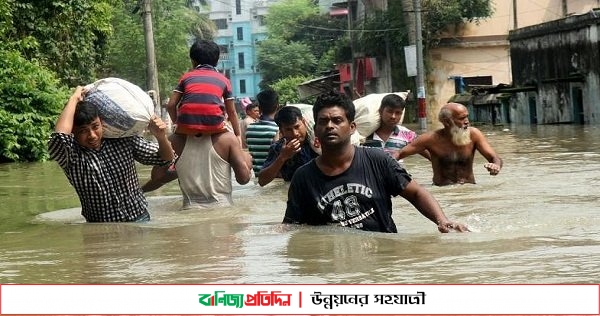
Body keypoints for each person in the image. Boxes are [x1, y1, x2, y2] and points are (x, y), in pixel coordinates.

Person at [282, 90, 468, 233]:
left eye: (337, 120)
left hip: (383, 261)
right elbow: (293, 227)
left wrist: (442, 220)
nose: (330, 126)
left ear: (352, 127)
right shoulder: (303, 178)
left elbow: (416, 193)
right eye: (323, 121)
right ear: (317, 129)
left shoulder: (377, 160)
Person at [48, 86, 175, 222]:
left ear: (102, 123)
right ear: (73, 132)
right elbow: (60, 136)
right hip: (100, 229)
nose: (92, 135)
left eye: (95, 127)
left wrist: (161, 137)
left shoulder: (123, 140)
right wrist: (74, 98)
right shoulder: (72, 156)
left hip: (140, 219)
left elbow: (166, 159)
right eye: (83, 131)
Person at [142, 39, 241, 192]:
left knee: (159, 172)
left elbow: (170, 105)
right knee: (238, 153)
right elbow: (232, 112)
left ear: (193, 61)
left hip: (184, 129)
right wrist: (238, 136)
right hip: (215, 128)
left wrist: (178, 125)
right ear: (216, 61)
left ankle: (174, 171)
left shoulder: (186, 77)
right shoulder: (224, 80)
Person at [397, 102, 503, 186]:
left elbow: (494, 157)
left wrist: (496, 166)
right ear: (447, 122)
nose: (467, 122)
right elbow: (399, 154)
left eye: (467, 117)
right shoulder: (429, 139)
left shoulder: (474, 134)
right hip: (442, 192)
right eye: (461, 118)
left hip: (469, 189)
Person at [176, 133, 253, 209]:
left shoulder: (174, 140)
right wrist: (247, 164)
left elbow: (164, 177)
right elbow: (243, 179)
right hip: (223, 210)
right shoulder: (228, 139)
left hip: (189, 210)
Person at [257, 105, 319, 186]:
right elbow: (262, 181)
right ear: (281, 131)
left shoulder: (317, 141)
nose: (295, 133)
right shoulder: (278, 148)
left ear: (303, 122)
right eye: (288, 129)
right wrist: (282, 157)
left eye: (297, 127)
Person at [364, 94, 430, 164]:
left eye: (398, 113)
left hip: (397, 174)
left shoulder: (407, 135)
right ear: (380, 111)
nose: (393, 116)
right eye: (389, 111)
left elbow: (430, 154)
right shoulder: (365, 134)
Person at [246, 89, 280, 175]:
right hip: (275, 178)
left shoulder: (249, 129)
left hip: (258, 179)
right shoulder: (279, 129)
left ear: (259, 108)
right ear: (277, 106)